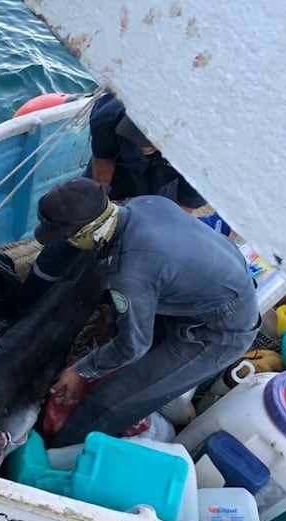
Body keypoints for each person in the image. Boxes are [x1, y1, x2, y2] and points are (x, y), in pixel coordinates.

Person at [34, 177, 259, 448]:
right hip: (213, 291)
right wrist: (114, 312)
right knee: (120, 358)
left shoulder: (129, 272)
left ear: (88, 234)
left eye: (67, 238)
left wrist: (81, 371)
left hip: (218, 332)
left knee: (112, 399)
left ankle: (54, 452)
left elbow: (133, 346)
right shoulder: (145, 204)